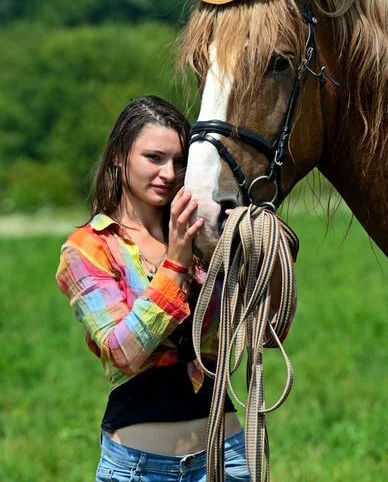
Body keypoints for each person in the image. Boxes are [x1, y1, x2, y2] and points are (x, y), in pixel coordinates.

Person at [56, 96, 250, 482]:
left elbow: (266, 331)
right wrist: (176, 264)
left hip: (224, 460)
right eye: (154, 158)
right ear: (118, 157)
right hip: (139, 468)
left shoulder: (207, 238)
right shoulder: (88, 248)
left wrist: (266, 250)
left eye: (179, 162)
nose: (168, 173)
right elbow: (123, 352)